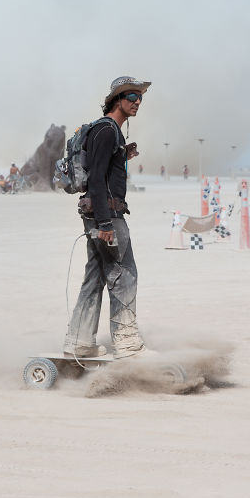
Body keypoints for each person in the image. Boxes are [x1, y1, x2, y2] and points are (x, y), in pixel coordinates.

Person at [63, 76, 151, 359]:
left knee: (95, 276)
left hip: (100, 213)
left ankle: (79, 340)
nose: (137, 102)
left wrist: (123, 155)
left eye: (140, 98)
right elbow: (97, 179)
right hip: (107, 215)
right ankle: (126, 343)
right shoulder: (106, 130)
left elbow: (103, 170)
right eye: (132, 97)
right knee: (124, 274)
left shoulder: (110, 133)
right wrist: (104, 224)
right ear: (117, 100)